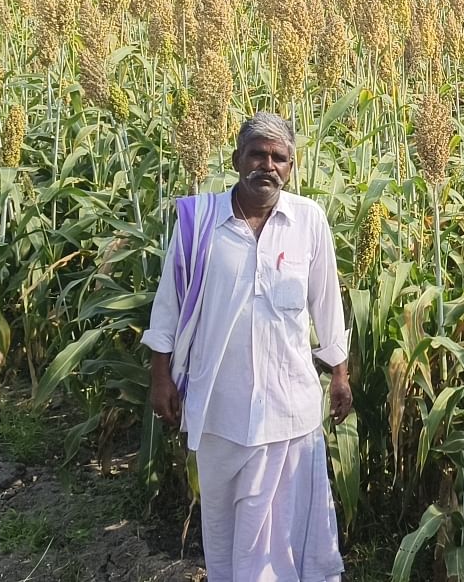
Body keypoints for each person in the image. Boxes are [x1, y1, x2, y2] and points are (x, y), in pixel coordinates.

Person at [143, 111, 351, 581]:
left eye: (280, 158)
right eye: (257, 154)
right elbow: (168, 305)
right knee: (226, 524)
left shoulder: (308, 221)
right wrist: (160, 377)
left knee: (293, 528)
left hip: (290, 411)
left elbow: (327, 303)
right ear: (237, 159)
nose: (268, 165)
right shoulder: (199, 223)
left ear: (291, 167)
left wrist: (339, 374)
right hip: (220, 409)